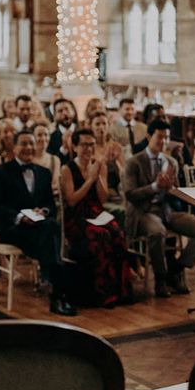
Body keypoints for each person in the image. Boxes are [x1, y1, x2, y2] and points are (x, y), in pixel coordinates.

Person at [0, 130, 76, 316]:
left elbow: (50, 205)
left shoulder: (43, 172)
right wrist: (20, 217)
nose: (28, 148)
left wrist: (42, 211)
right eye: (24, 143)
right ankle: (57, 289)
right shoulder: (0, 171)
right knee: (51, 231)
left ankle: (54, 287)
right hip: (12, 227)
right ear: (15, 146)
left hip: (38, 227)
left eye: (31, 144)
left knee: (49, 227)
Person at [123, 119, 195, 298]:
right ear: (149, 136)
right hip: (143, 212)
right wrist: (155, 186)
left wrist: (171, 189)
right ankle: (160, 278)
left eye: (166, 138)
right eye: (159, 137)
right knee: (157, 231)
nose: (163, 142)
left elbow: (175, 195)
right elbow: (130, 194)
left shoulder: (171, 161)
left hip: (166, 210)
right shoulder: (134, 161)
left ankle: (177, 268)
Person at [60, 128, 133, 307]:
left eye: (91, 145)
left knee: (117, 233)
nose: (88, 149)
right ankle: (102, 292)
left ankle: (121, 290)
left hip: (95, 212)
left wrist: (99, 176)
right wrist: (89, 180)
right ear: (75, 147)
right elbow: (71, 200)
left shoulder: (98, 165)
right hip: (76, 216)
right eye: (84, 145)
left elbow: (102, 199)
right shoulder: (67, 169)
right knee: (100, 236)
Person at [32, 122, 61, 197]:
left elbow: (55, 185)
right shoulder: (28, 159)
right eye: (39, 135)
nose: (43, 138)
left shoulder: (55, 160)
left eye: (46, 135)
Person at [47, 98, 77, 165]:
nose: (65, 113)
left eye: (67, 109)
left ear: (73, 111)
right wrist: (63, 148)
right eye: (60, 111)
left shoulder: (84, 132)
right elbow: (51, 163)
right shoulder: (50, 138)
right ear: (54, 116)